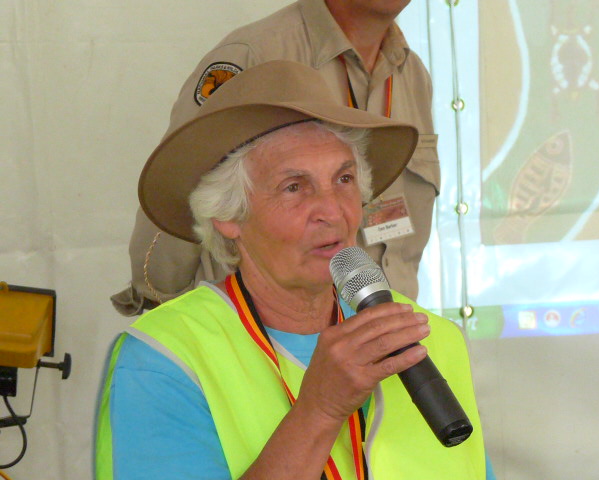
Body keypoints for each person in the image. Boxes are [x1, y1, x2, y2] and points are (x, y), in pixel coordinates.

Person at [95, 60, 486, 479]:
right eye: (294, 187)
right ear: (229, 215)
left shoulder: (431, 340)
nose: (332, 211)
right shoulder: (164, 357)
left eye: (344, 179)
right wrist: (320, 410)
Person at [111, 0, 440, 316]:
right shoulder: (256, 54)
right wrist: (163, 305)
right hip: (262, 336)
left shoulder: (412, 73)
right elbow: (182, 184)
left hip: (382, 331)